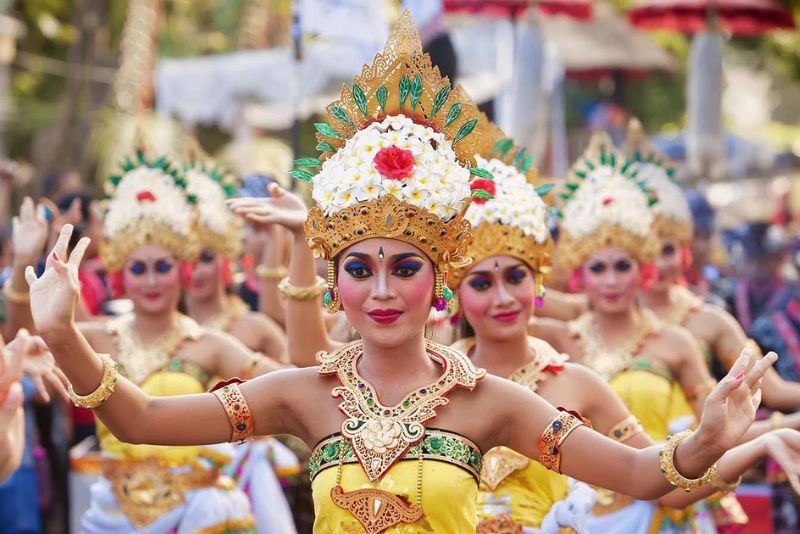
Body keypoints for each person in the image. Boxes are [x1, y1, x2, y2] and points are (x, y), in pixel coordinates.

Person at [27, 13, 777, 533]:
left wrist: (706, 439)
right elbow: (140, 420)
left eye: (404, 267)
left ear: (438, 278)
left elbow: (643, 476)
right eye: (359, 268)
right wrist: (59, 331)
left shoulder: (495, 404)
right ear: (337, 279)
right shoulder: (304, 395)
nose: (381, 291)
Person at [16, 142, 285, 533]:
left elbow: (286, 386)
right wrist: (25, 261)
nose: (153, 280)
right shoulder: (95, 338)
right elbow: (25, 339)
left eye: (163, 266)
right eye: (139, 269)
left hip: (199, 517)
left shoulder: (210, 344)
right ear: (122, 277)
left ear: (184, 271)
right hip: (111, 514)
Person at [529, 132, 787, 532]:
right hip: (571, 514)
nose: (611, 280)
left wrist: (773, 430)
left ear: (644, 270)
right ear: (580, 275)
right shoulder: (557, 340)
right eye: (598, 268)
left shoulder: (678, 340)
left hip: (658, 510)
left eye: (623, 266)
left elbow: (714, 431)